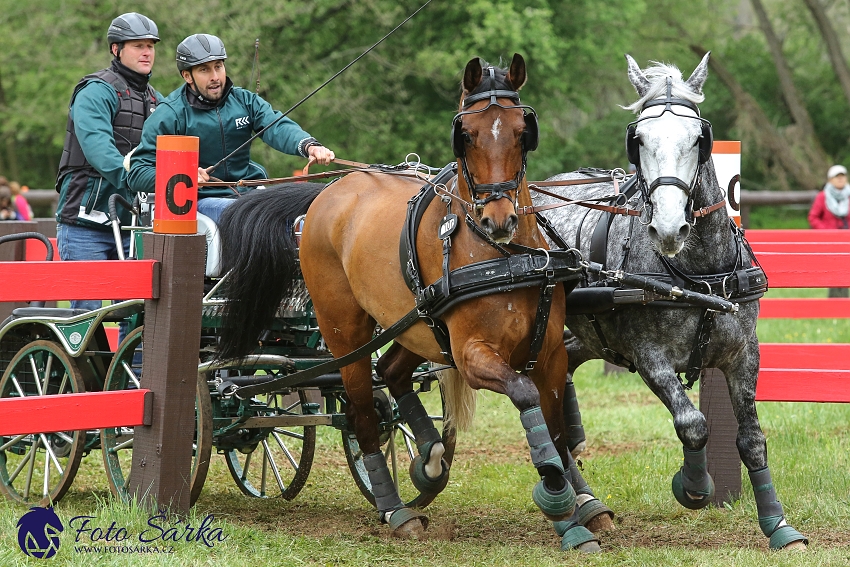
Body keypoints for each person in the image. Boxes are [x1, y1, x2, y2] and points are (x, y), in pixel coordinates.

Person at [127, 33, 334, 224]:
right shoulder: (169, 114)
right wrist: (183, 175)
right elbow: (137, 173)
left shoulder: (245, 100)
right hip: (200, 201)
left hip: (249, 193)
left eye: (218, 66)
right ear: (187, 76)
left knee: (306, 212)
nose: (215, 76)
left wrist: (309, 146)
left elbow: (277, 126)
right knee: (250, 215)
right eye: (204, 69)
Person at [54, 12, 161, 311]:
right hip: (85, 224)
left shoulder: (157, 101)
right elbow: (99, 150)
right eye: (138, 45)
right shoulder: (96, 91)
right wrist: (137, 177)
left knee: (139, 315)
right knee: (87, 317)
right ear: (116, 49)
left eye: (151, 46)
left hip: (134, 227)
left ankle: (137, 361)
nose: (146, 52)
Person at [809, 164, 849, 297]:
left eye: (842, 176)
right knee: (833, 268)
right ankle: (834, 301)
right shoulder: (822, 196)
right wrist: (826, 231)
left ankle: (844, 300)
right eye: (837, 177)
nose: (840, 179)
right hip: (830, 239)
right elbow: (813, 217)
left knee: (846, 268)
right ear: (830, 179)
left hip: (846, 238)